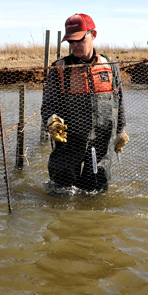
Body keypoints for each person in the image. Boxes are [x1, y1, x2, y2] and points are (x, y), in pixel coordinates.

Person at [41, 13, 129, 191]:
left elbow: (119, 101)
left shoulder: (110, 66)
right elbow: (48, 104)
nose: (74, 45)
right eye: (71, 42)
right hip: (68, 144)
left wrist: (120, 130)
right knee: (61, 192)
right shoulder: (59, 69)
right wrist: (52, 121)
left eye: (79, 40)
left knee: (96, 191)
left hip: (102, 144)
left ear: (93, 35)